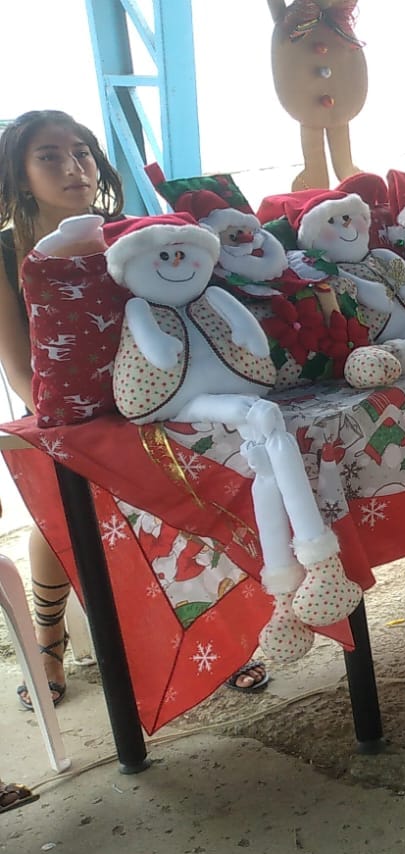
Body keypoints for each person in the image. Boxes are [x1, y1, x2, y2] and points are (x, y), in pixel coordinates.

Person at [0, 110, 271, 708]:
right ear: (19, 175)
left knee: (189, 493)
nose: (73, 167)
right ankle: (49, 646)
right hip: (59, 412)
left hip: (150, 395)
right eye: (49, 156)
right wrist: (64, 423)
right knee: (62, 504)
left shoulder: (123, 233)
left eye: (82, 152)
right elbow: (18, 365)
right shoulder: (4, 253)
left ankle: (222, 641)